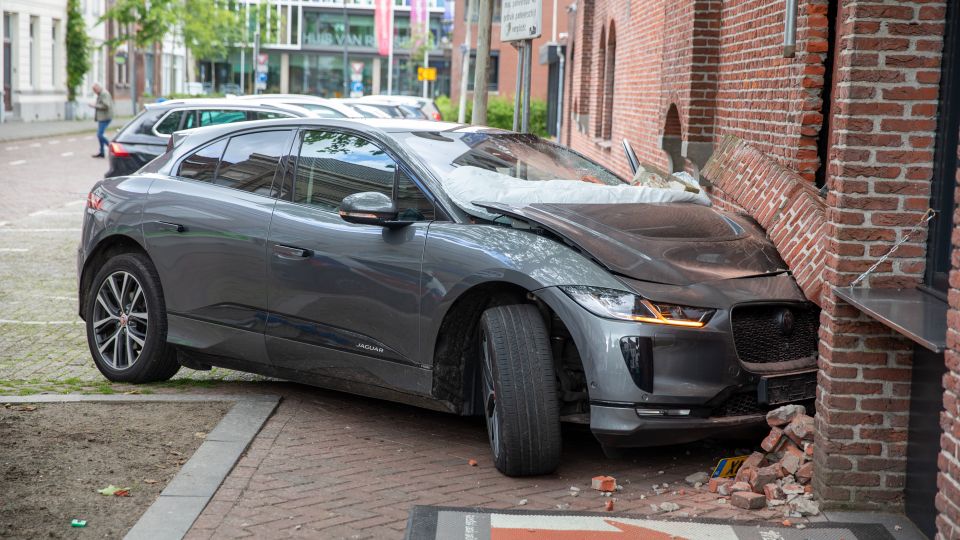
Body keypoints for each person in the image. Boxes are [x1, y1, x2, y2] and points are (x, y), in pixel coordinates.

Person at [88, 83, 113, 158]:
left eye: (95, 90)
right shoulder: (101, 94)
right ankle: (102, 152)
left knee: (99, 135)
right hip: (102, 117)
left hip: (105, 117)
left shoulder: (104, 94)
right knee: (100, 135)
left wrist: (95, 105)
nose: (94, 92)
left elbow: (106, 105)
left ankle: (111, 147)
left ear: (98, 88)